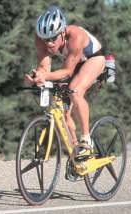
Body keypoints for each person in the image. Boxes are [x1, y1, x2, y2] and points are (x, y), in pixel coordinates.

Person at [24, 6, 105, 158]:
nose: (49, 43)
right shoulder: (40, 39)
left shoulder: (76, 36)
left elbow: (67, 72)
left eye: (53, 38)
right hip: (72, 64)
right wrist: (36, 78)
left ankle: (87, 141)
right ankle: (76, 154)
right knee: (62, 111)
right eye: (45, 39)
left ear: (62, 32)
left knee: (75, 90)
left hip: (93, 59)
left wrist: (46, 77)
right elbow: (44, 68)